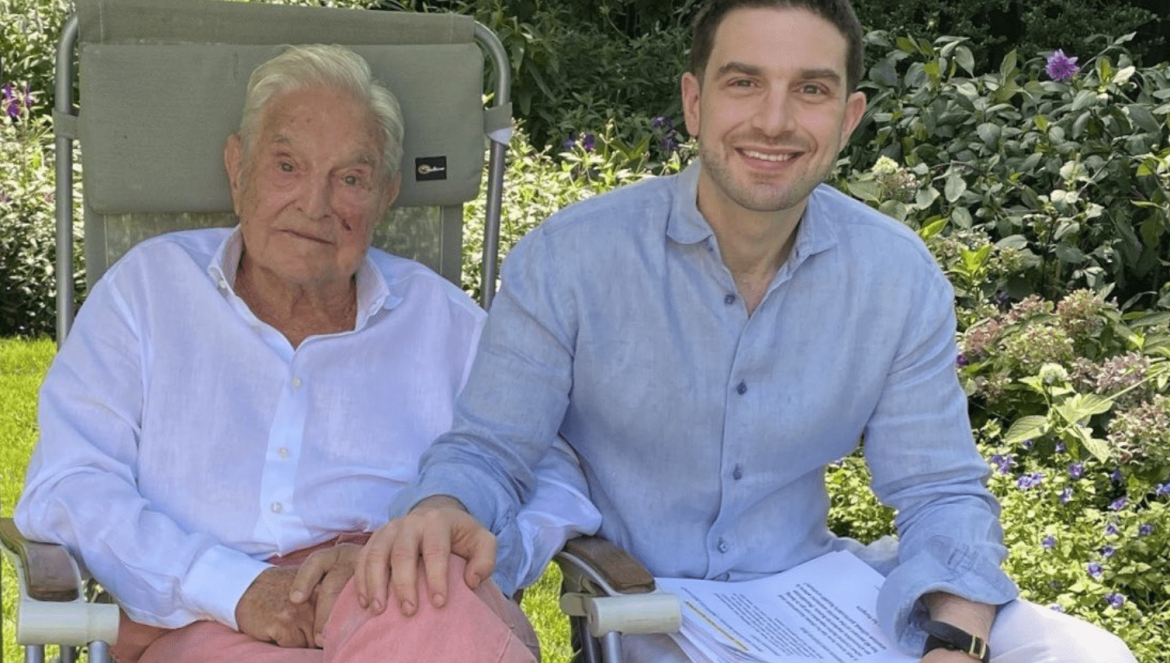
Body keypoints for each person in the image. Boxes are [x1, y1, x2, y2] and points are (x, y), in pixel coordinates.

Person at [353, 1, 1138, 662]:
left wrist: (954, 645)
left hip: (819, 603)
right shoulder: (570, 260)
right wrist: (444, 505)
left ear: (848, 117)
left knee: (1091, 654)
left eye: (811, 89)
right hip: (653, 615)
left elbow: (940, 490)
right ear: (694, 103)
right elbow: (490, 451)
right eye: (744, 82)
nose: (774, 119)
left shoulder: (895, 276)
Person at [15, 44, 599, 663]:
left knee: (435, 610)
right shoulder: (149, 291)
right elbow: (69, 484)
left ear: (386, 195)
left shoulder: (445, 322)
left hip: (404, 606)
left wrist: (466, 556)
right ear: (237, 168)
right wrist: (235, 587)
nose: (314, 204)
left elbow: (552, 473)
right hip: (207, 622)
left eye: (350, 179)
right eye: (287, 166)